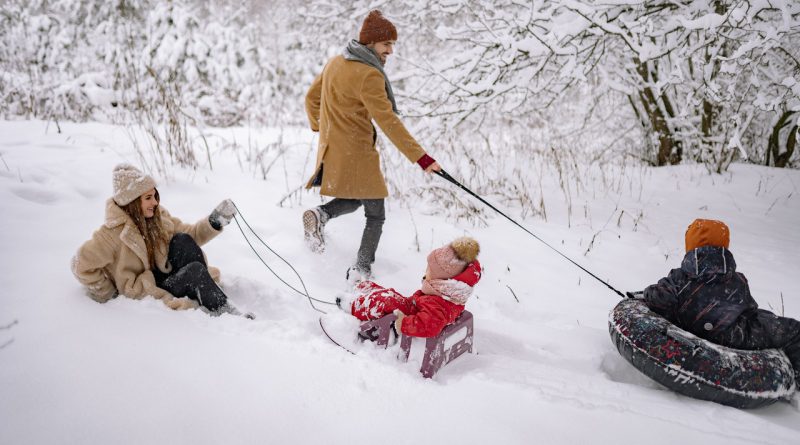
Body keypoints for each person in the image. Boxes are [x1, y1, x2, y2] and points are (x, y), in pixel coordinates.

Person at [302, 9, 442, 281]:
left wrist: (321, 129)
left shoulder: (335, 62)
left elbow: (310, 99)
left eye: (392, 44)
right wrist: (422, 159)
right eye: (386, 44)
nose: (390, 50)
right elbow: (388, 121)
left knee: (355, 198)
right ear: (370, 43)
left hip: (334, 147)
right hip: (358, 152)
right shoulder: (370, 75)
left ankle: (320, 215)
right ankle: (361, 270)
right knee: (375, 213)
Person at [640, 218, 800, 383]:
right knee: (793, 330)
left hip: (689, 326)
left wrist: (648, 294)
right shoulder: (737, 280)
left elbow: (660, 299)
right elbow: (749, 308)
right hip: (733, 336)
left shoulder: (679, 277)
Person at [72, 163, 238, 314]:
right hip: (149, 288)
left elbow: (191, 235)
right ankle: (224, 311)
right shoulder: (112, 235)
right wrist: (107, 292)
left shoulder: (158, 217)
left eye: (155, 196)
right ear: (133, 201)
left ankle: (205, 290)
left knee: (182, 240)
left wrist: (215, 221)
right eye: (148, 198)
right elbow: (80, 265)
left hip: (165, 273)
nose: (155, 203)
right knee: (195, 271)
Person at [341, 237, 481, 338]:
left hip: (408, 316)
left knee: (385, 302)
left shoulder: (437, 303)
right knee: (388, 294)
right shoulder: (447, 294)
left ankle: (352, 305)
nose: (426, 272)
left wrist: (403, 323)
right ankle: (359, 286)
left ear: (442, 279)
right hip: (413, 308)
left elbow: (429, 326)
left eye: (429, 270)